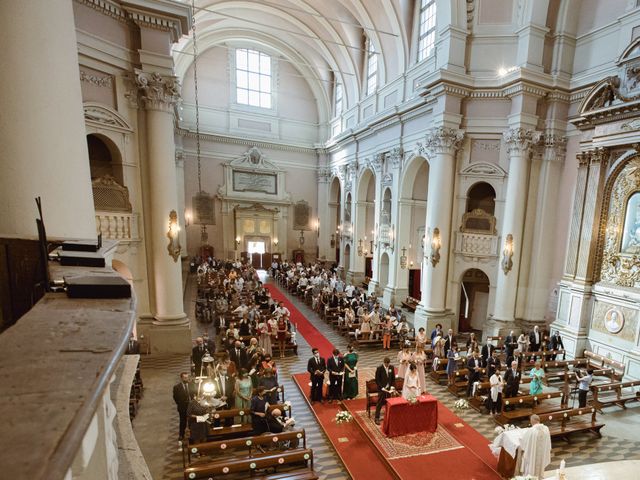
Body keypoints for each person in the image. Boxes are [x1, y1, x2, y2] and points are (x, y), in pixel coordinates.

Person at [519, 414, 552, 480]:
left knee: (531, 467)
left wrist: (520, 439)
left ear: (532, 421)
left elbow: (524, 442)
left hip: (532, 457)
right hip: (542, 455)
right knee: (540, 468)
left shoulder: (531, 430)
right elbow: (548, 443)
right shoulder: (546, 429)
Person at [172, 372, 194, 441]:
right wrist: (180, 404)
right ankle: (181, 434)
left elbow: (194, 393)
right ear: (181, 378)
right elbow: (175, 397)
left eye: (187, 377)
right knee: (183, 421)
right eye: (185, 378)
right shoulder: (177, 387)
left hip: (191, 406)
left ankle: (192, 434)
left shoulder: (191, 385)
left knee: (192, 421)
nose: (186, 379)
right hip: (182, 407)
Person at [374, 357, 396, 425]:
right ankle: (377, 418)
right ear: (384, 362)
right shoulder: (379, 368)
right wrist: (382, 387)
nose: (387, 365)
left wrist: (392, 386)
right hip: (382, 389)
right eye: (386, 364)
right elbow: (377, 380)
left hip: (389, 389)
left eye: (388, 364)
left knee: (389, 403)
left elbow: (393, 378)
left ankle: (388, 416)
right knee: (379, 403)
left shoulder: (391, 367)